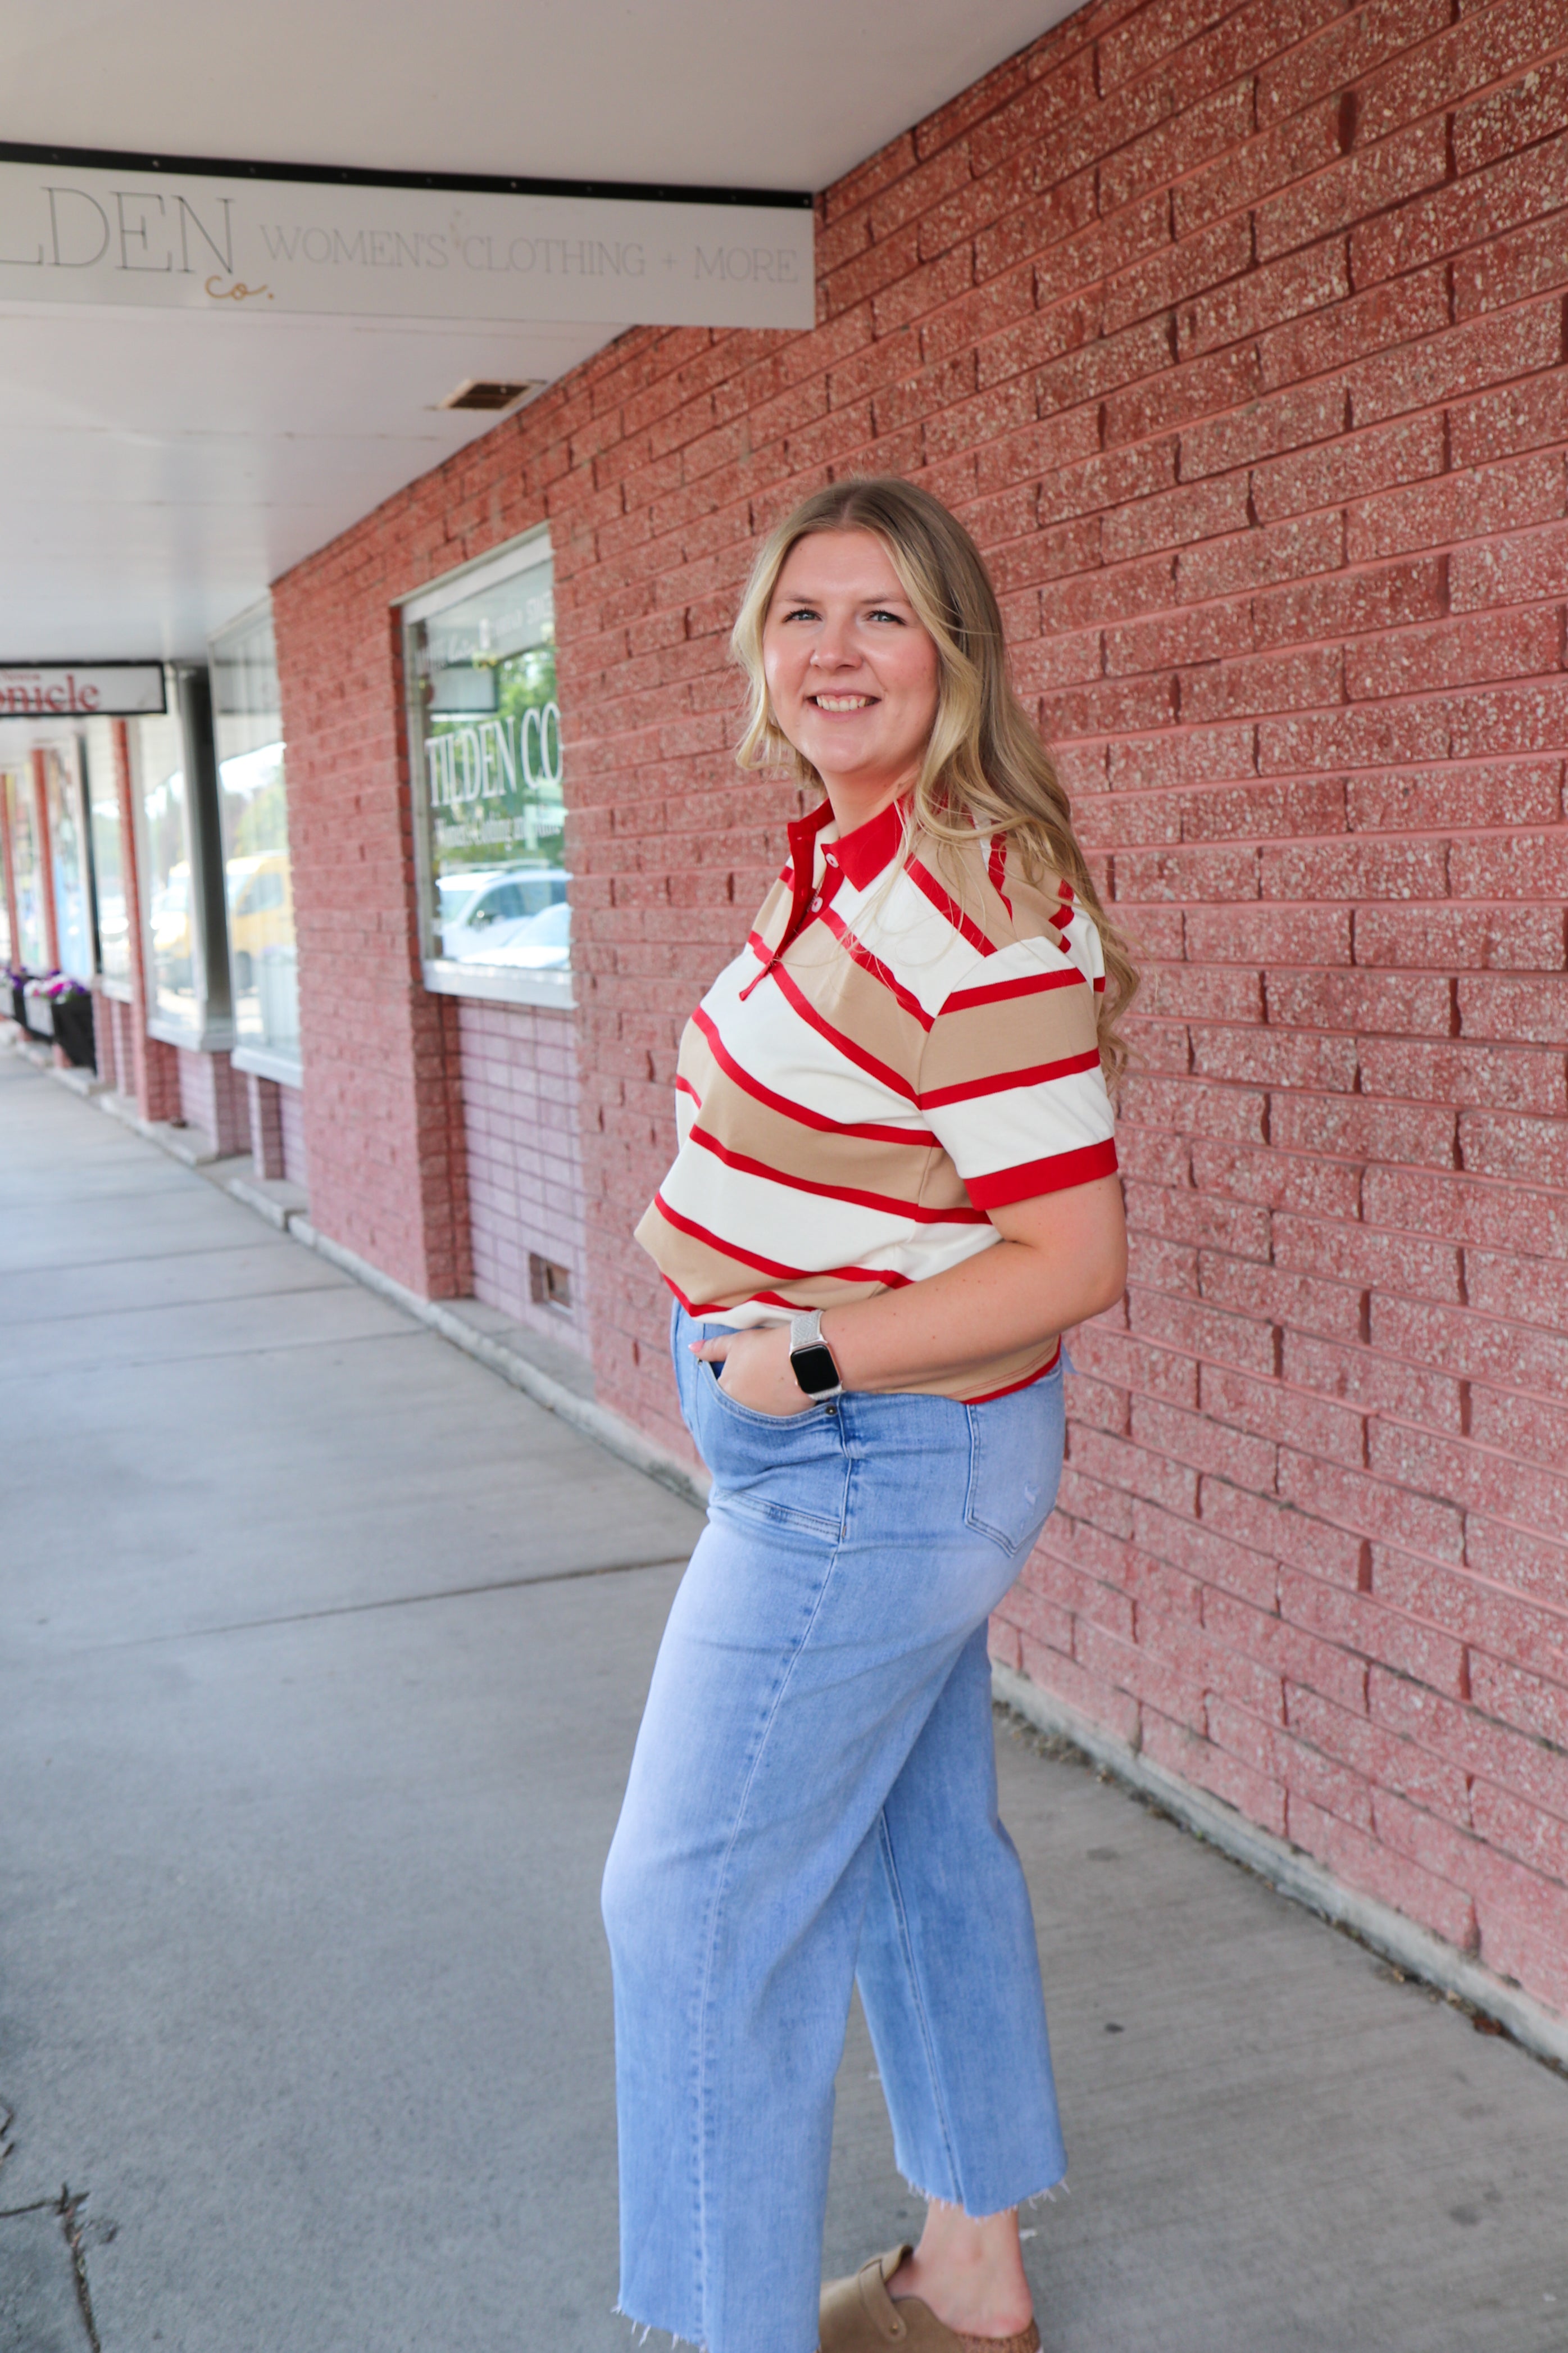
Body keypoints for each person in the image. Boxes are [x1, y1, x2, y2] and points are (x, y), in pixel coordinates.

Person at [601, 476, 1137, 2353]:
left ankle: (711, 2330)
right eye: (805, 613)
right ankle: (971, 2271)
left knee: (687, 1906)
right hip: (848, 1452)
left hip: (865, 1465)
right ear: (760, 646)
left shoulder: (971, 893)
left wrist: (802, 1357)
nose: (837, 652)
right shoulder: (840, 849)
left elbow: (1070, 1252)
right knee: (920, 1858)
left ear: (956, 654)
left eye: (886, 616)